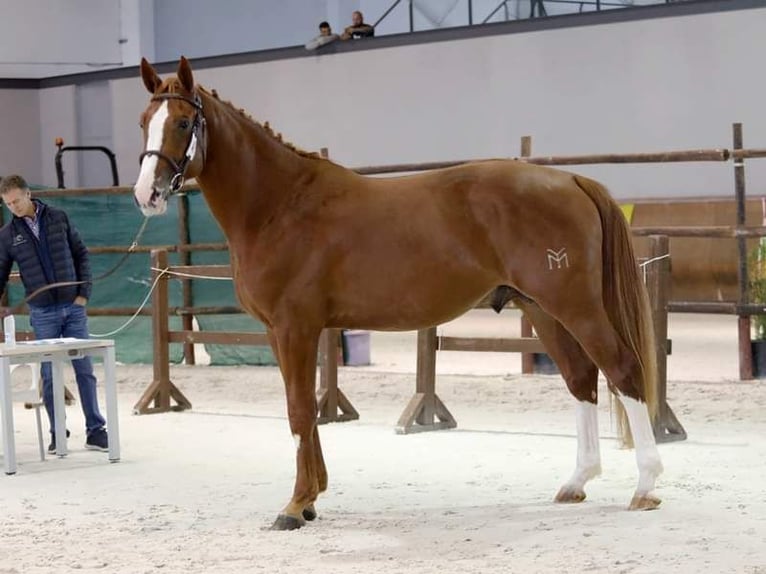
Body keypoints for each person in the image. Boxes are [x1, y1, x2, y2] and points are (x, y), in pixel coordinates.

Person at [0, 174, 109, 453]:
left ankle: (96, 431)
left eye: (16, 201)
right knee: (49, 375)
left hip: (73, 308)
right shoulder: (8, 236)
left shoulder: (58, 217)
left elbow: (81, 254)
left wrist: (83, 294)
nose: (13, 207)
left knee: (84, 370)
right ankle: (57, 433)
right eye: (7, 204)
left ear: (28, 194)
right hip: (42, 313)